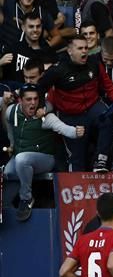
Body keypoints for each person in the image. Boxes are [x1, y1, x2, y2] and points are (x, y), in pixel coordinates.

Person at [37, 36, 113, 172]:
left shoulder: (94, 63)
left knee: (108, 118)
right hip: (71, 116)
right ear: (70, 51)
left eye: (86, 48)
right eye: (80, 48)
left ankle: (101, 160)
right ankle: (76, 189)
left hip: (93, 107)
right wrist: (40, 106)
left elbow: (108, 86)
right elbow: (40, 87)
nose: (84, 52)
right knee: (77, 158)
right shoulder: (58, 70)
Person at [3, 84, 82, 221]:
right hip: (20, 156)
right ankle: (6, 207)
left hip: (45, 158)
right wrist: (12, 144)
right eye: (28, 99)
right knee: (7, 172)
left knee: (22, 159)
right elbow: (9, 127)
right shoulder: (11, 111)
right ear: (20, 101)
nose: (33, 103)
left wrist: (76, 131)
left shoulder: (46, 117)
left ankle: (26, 199)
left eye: (35, 99)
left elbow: (64, 129)